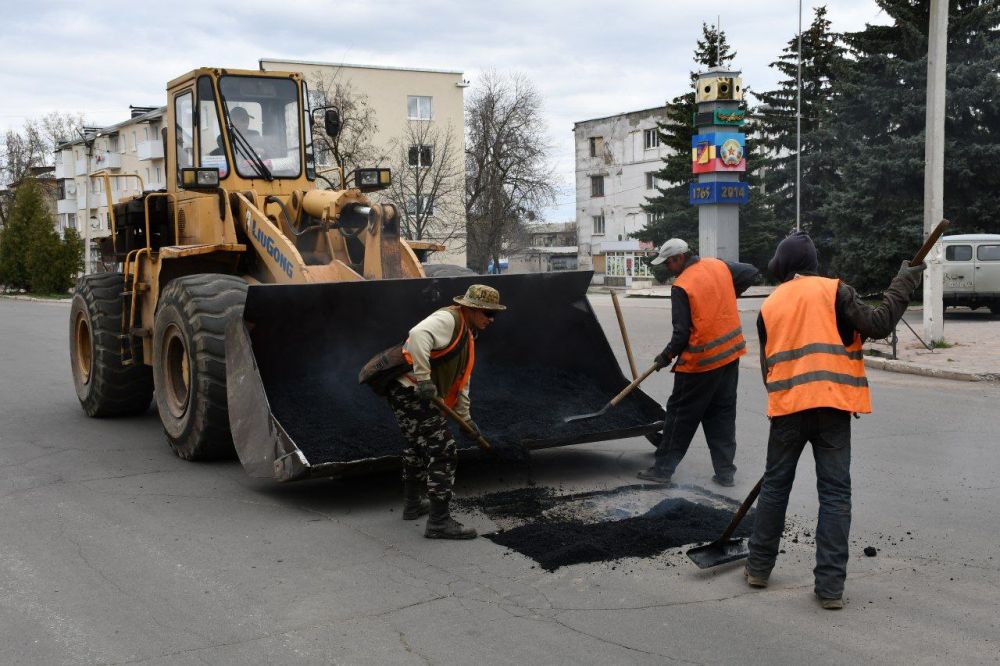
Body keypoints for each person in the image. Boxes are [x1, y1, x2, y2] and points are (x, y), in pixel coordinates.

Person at [744, 231, 925, 610]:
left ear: (784, 267)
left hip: (788, 409)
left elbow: (768, 366)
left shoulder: (770, 304)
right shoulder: (836, 291)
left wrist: (785, 403)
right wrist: (905, 280)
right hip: (831, 409)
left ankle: (759, 568)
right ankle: (829, 589)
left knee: (775, 489)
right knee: (835, 496)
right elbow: (877, 324)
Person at [386, 284, 505, 539]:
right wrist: (424, 378)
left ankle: (413, 504)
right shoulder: (448, 319)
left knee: (416, 446)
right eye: (488, 314)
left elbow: (461, 382)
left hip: (406, 392)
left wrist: (466, 419)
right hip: (411, 392)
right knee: (444, 451)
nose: (491, 320)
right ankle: (439, 522)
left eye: (494, 315)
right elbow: (417, 335)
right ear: (471, 309)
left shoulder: (468, 335)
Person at [638, 238, 758, 487]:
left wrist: (666, 356)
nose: (668, 267)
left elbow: (681, 335)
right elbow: (751, 272)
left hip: (701, 363)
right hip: (729, 357)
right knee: (722, 414)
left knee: (679, 416)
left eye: (669, 262)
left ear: (680, 257)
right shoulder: (717, 266)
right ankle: (725, 473)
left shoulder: (682, 286)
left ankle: (662, 470)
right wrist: (727, 295)